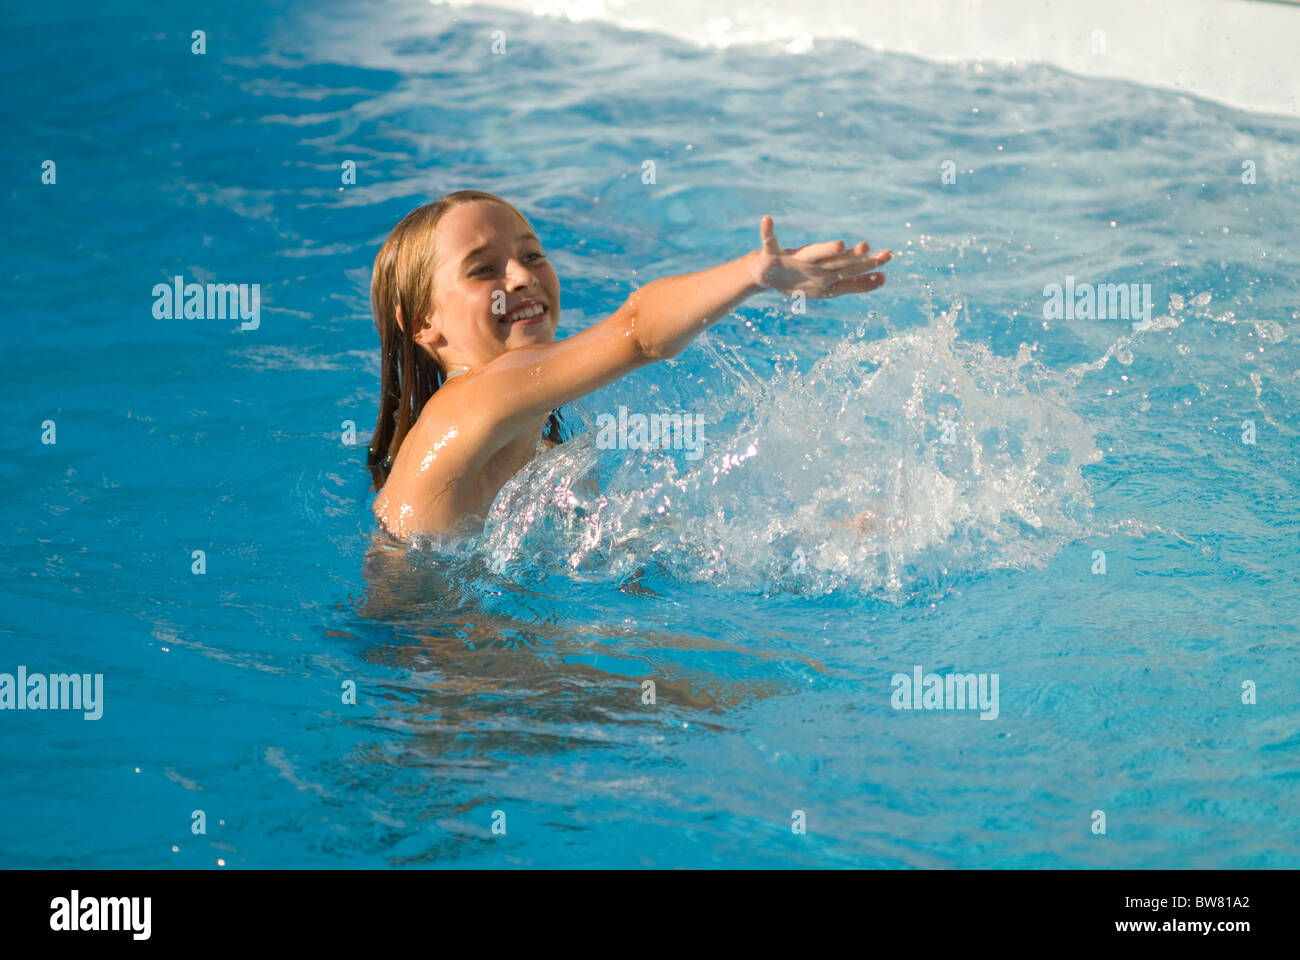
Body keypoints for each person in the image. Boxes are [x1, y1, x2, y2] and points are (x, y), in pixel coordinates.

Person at [367, 189, 891, 539]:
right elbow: (637, 333)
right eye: (483, 270)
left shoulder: (544, 446)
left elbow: (619, 544)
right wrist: (753, 273)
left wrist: (814, 538)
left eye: (531, 256)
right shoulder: (474, 397)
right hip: (431, 661)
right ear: (421, 323)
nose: (521, 278)